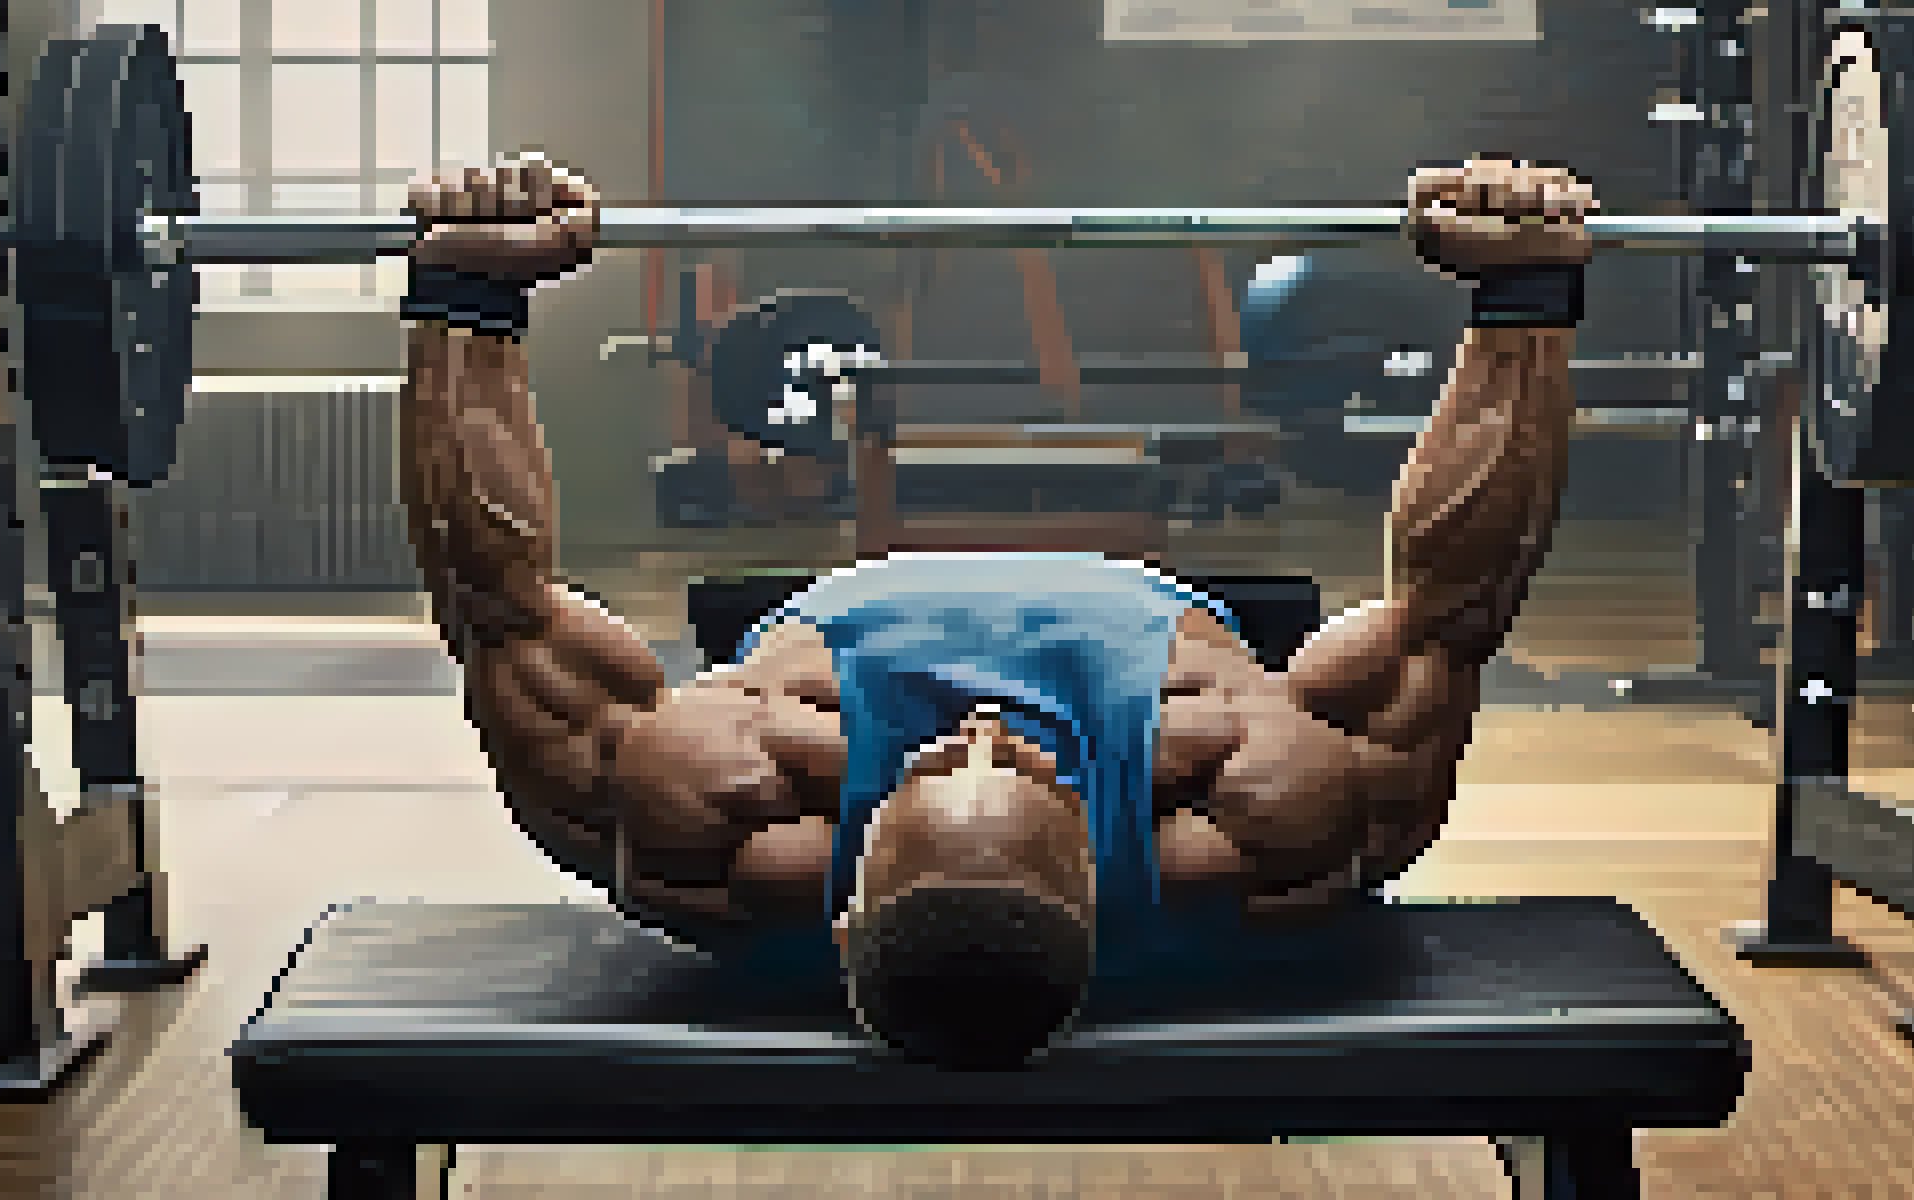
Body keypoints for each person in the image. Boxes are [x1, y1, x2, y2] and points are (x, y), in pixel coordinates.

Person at [397, 151, 1597, 1069]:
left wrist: (470, 292)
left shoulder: (720, 830)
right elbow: (1451, 609)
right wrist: (1524, 298)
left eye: (924, 771)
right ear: (1095, 869)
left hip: (845, 616)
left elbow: (493, 601)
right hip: (1144, 615)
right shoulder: (1261, 823)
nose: (977, 722)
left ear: (842, 896)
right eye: (1022, 767)